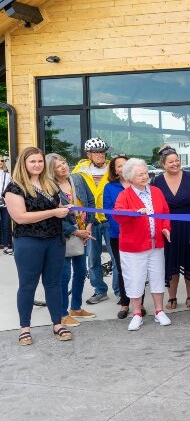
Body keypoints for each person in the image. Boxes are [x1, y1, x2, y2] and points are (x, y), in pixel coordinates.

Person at [4, 147, 72, 345]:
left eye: (40, 161)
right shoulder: (14, 188)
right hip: (29, 241)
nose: (37, 165)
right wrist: (53, 212)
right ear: (23, 164)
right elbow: (20, 217)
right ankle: (24, 327)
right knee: (28, 285)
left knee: (53, 283)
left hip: (54, 240)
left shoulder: (49, 184)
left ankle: (57, 324)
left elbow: (56, 208)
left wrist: (62, 210)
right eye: (32, 161)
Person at [113, 159, 173, 331]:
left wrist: (166, 228)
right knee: (135, 279)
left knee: (157, 277)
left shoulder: (156, 191)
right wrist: (135, 212)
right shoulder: (124, 195)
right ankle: (137, 313)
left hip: (156, 245)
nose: (145, 176)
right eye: (140, 174)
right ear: (130, 177)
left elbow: (165, 213)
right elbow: (118, 216)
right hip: (133, 247)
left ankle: (159, 311)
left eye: (146, 173)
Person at [46, 153, 97, 328]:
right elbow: (54, 216)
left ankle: (76, 307)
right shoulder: (49, 187)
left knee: (81, 272)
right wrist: (76, 231)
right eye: (58, 166)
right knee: (64, 275)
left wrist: (89, 225)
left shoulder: (78, 179)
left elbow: (90, 201)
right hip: (65, 236)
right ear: (51, 170)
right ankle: (62, 313)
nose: (63, 167)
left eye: (64, 163)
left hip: (84, 231)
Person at [151, 146, 190, 310]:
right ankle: (172, 297)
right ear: (163, 164)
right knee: (170, 261)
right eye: (170, 161)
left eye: (177, 160)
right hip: (167, 228)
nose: (175, 164)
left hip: (189, 225)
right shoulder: (156, 181)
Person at [103, 154, 145, 319]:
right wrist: (123, 228)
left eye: (125, 164)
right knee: (123, 269)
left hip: (140, 234)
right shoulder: (110, 187)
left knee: (140, 270)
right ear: (115, 170)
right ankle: (124, 302)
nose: (122, 167)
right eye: (118, 166)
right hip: (118, 234)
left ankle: (139, 304)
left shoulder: (141, 186)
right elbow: (108, 211)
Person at [72, 137, 112, 305]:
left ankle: (119, 291)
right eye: (96, 152)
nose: (100, 155)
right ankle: (100, 290)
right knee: (93, 258)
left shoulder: (113, 168)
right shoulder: (79, 171)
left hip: (110, 218)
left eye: (102, 151)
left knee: (116, 257)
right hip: (90, 220)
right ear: (89, 154)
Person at [0, 157, 13, 254]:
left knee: (6, 225)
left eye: (2, 160)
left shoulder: (8, 175)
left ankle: (6, 246)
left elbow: (9, 188)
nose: (0, 162)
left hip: (5, 202)